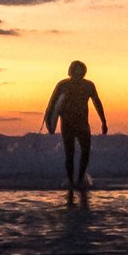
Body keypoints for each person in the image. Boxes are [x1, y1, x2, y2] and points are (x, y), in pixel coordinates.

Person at [43, 60, 108, 190]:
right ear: (71, 71)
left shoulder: (89, 85)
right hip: (67, 123)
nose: (78, 73)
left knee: (86, 151)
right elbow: (52, 104)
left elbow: (97, 102)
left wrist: (103, 121)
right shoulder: (63, 85)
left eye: (80, 70)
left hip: (82, 123)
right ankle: (71, 182)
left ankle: (80, 179)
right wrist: (49, 122)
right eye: (75, 70)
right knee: (70, 153)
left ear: (84, 71)